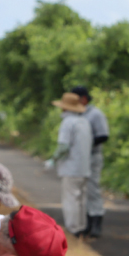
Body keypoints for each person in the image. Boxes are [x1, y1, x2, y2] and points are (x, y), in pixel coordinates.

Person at [46, 92, 92, 237]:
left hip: (71, 168)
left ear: (65, 108)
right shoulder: (85, 122)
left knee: (70, 199)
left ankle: (72, 229)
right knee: (81, 200)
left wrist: (53, 159)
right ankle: (81, 226)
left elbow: (63, 147)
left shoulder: (68, 123)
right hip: (84, 168)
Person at [71, 86, 109, 239]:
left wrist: (86, 143)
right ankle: (85, 223)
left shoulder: (95, 114)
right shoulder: (76, 114)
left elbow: (103, 135)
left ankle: (96, 221)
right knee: (82, 189)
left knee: (93, 188)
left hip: (92, 156)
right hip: (80, 158)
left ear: (84, 99)